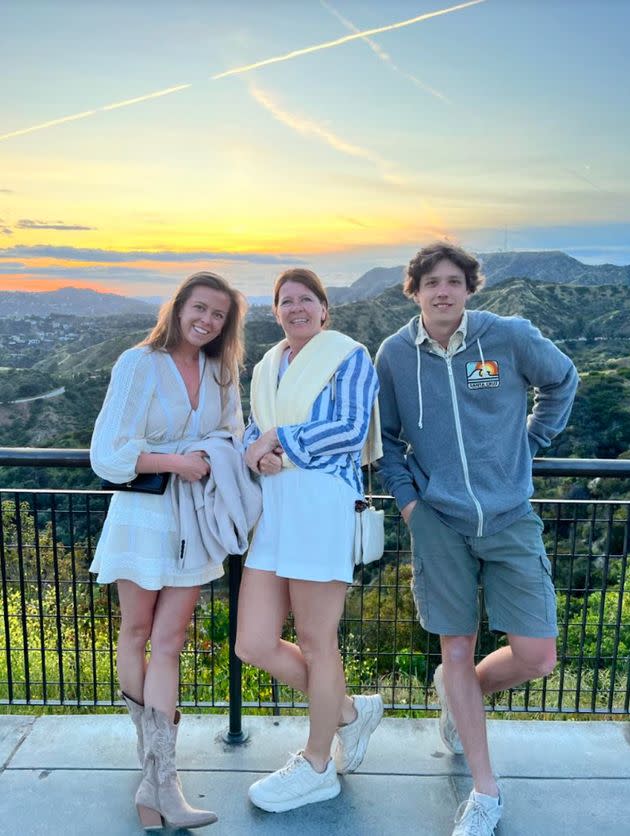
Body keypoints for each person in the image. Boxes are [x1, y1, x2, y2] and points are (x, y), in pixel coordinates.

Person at [375, 242, 578, 836]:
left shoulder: (507, 336)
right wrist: (410, 504)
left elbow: (562, 381)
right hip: (439, 521)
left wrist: (532, 441)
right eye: (431, 281)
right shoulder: (393, 355)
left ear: (470, 288)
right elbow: (385, 439)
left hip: (511, 516)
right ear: (413, 289)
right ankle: (485, 793)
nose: (443, 291)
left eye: (455, 281)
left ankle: (456, 695)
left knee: (538, 655)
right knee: (456, 649)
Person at [90, 271, 248, 830]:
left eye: (218, 316)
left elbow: (234, 433)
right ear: (179, 306)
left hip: (194, 520)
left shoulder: (221, 372)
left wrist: (236, 452)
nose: (206, 321)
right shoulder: (138, 363)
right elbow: (107, 455)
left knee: (171, 640)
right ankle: (153, 772)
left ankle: (162, 781)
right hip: (142, 516)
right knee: (135, 633)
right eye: (199, 309)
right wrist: (175, 460)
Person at [235, 267, 383, 813]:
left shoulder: (349, 355)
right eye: (284, 301)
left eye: (305, 299)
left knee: (319, 642)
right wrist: (255, 449)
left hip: (321, 505)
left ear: (324, 309)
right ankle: (345, 712)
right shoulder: (271, 364)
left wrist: (276, 441)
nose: (294, 308)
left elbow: (347, 427)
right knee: (252, 641)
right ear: (275, 312)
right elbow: (253, 427)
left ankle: (318, 763)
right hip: (275, 507)